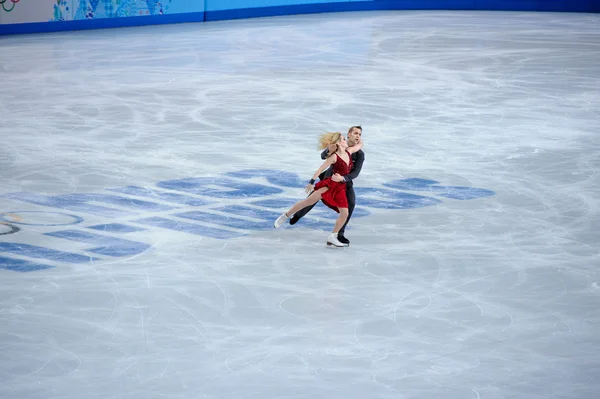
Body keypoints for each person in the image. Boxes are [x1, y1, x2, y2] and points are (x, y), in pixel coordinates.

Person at [273, 131, 364, 247]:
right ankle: (285, 216)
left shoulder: (349, 152)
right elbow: (320, 169)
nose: (346, 141)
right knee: (307, 202)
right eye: (343, 139)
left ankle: (333, 236)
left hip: (340, 188)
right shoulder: (334, 157)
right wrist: (312, 182)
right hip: (329, 186)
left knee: (345, 213)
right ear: (339, 143)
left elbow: (359, 145)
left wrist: (358, 139)